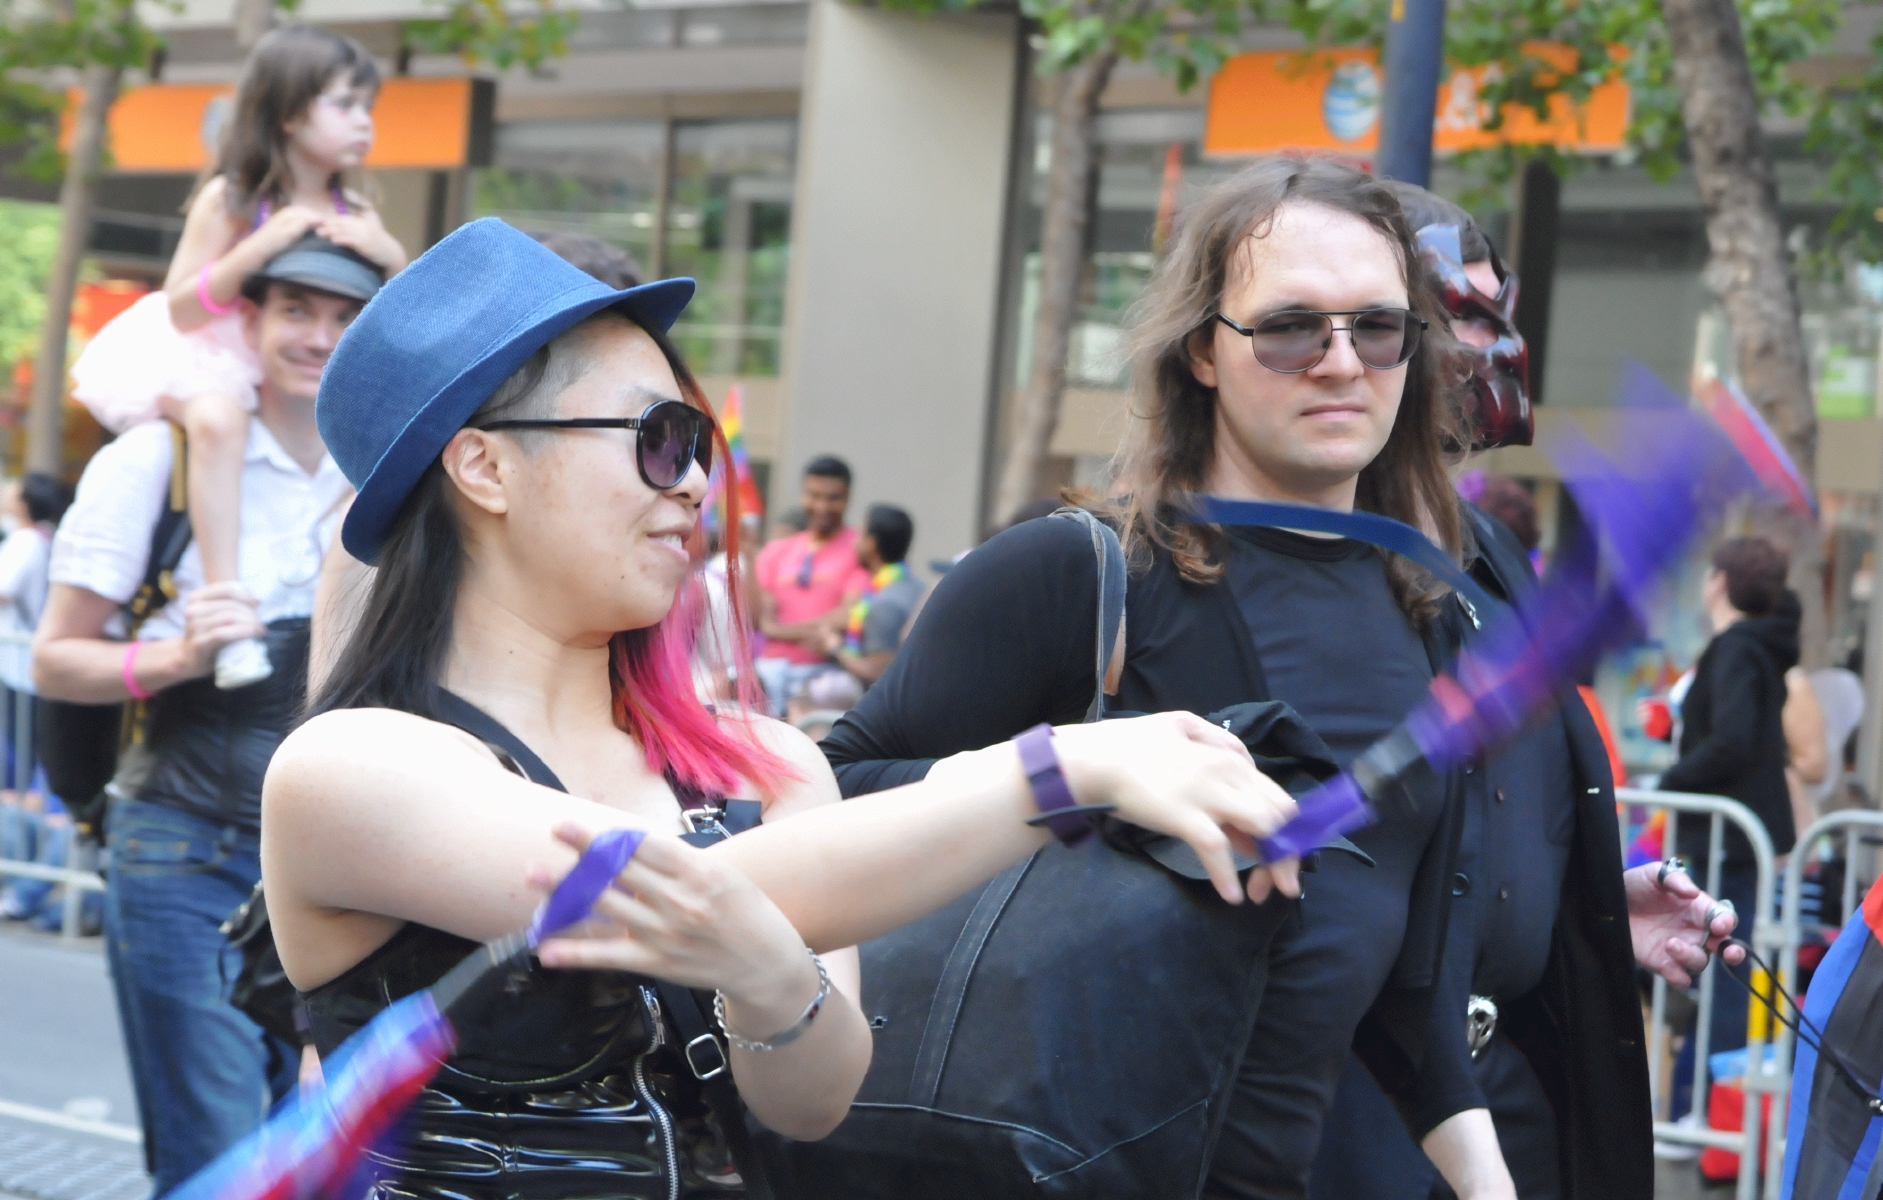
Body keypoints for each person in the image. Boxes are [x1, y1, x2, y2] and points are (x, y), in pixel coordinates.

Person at [265, 218, 1304, 1200]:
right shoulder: (351, 769)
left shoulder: (761, 763)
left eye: (697, 445)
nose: (693, 487)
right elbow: (650, 889)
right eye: (658, 438)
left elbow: (809, 1103)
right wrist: (1056, 770)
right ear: (484, 465)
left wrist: (766, 978)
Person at [822, 158, 1731, 1200]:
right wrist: (1076, 775)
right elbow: (819, 803)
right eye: (1291, 327)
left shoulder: (1426, 603)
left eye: (1377, 328)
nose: (1340, 364)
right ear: (1203, 349)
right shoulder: (1075, 573)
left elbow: (1403, 988)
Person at [1305, 183, 1737, 1200]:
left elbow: (1492, 805)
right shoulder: (1237, 560)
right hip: (1334, 1103)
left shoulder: (1493, 556)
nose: (1490, 347)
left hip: (1506, 1093)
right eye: (1459, 314)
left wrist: (1583, 913)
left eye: (1495, 314)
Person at [33, 236, 383, 1195]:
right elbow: (53, 659)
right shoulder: (164, 458)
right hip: (182, 846)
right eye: (297, 311)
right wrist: (177, 656)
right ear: (252, 322)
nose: (320, 337)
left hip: (331, 874)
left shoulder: (391, 483)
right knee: (223, 1158)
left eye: (347, 317)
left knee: (320, 1159)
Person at [68, 25, 405, 691]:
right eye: (344, 104)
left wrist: (385, 251)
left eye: (367, 106)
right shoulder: (233, 198)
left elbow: (398, 304)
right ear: (287, 111)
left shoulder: (355, 206)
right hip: (208, 357)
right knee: (219, 423)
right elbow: (183, 306)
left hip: (295, 381)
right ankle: (228, 607)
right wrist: (261, 244)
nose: (363, 123)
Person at [1659, 536, 1797, 1120]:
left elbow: (1735, 739)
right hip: (1738, 836)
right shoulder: (1756, 648)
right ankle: (1710, 1113)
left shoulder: (1738, 650)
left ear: (1718, 581)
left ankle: (1715, 1117)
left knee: (1724, 974)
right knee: (1723, 972)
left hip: (1730, 839)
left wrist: (1669, 782)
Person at [0, 473, 77, 926]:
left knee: (24, 773)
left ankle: (27, 888)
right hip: (27, 670)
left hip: (20, 670)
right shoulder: (45, 539)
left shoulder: (28, 541)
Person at [753, 458, 868, 713]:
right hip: (768, 671)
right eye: (814, 496)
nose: (822, 506)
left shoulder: (860, 549)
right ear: (803, 495)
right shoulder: (777, 551)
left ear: (848, 498)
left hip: (825, 674)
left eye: (833, 498)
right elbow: (758, 617)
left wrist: (776, 629)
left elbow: (847, 616)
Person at [821, 503, 923, 689]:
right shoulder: (917, 587)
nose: (854, 542)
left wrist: (834, 647)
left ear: (871, 543)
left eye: (859, 534)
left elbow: (876, 672)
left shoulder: (883, 604)